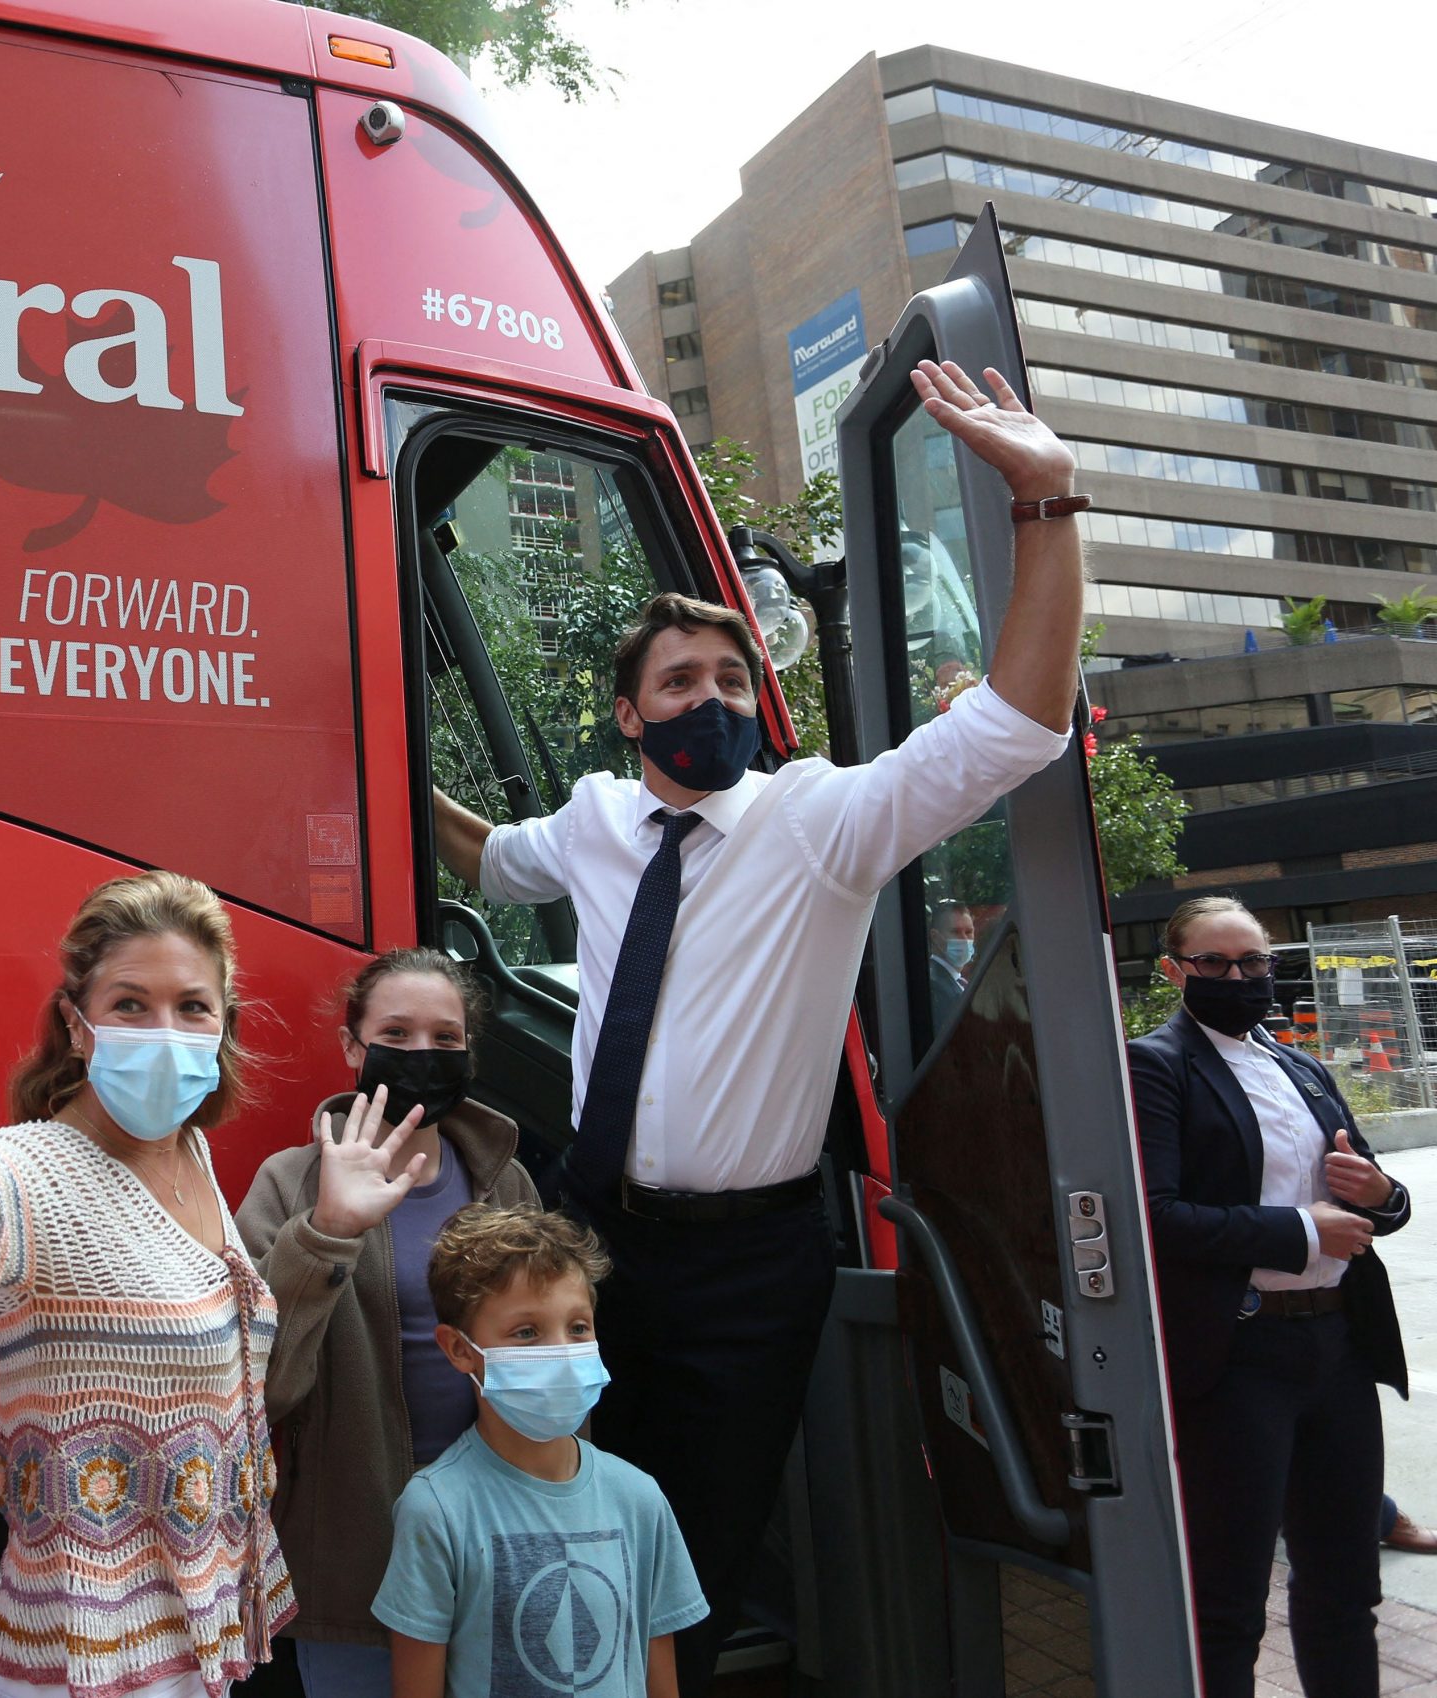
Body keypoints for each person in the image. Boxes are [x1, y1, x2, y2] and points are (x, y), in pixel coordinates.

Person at [427, 360, 1085, 1695]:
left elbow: (1018, 726)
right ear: (629, 713)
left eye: (732, 675)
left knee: (700, 1549)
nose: (711, 698)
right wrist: (369, 743)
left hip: (749, 1265)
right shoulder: (602, 817)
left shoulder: (823, 818)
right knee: (555, 1521)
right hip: (587, 1239)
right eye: (678, 680)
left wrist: (1047, 504)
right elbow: (493, 859)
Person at [0, 730, 291, 1697]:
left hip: (201, 1651)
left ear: (225, 1023)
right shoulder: (32, 1175)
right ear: (78, 1023)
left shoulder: (192, 1157)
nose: (165, 1033)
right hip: (84, 1669)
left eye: (193, 1008)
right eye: (130, 1003)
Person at [235, 949, 541, 1695]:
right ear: (352, 1047)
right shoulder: (288, 1183)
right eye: (396, 1036)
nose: (422, 1056)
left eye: (446, 1038)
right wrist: (327, 1229)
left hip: (502, 1548)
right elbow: (254, 1385)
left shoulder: (508, 1182)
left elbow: (548, 1358)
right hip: (361, 1561)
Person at [1129, 894, 1411, 1698]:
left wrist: (1382, 1193)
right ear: (1176, 970)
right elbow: (1158, 1217)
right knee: (1228, 1600)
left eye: (1254, 961)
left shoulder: (1301, 1064)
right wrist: (1300, 1232)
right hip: (1241, 1354)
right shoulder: (1155, 1063)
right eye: (1216, 963)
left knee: (1346, 1586)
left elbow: (1371, 1202)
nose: (1241, 977)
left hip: (1338, 1347)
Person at [374, 1203, 704, 1698]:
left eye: (578, 1328)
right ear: (460, 1349)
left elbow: (660, 1675)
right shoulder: (436, 1510)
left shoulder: (640, 1499)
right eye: (526, 1333)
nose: (560, 1353)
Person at [928, 899, 975, 1013]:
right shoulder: (935, 986)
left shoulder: (956, 982)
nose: (964, 939)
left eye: (968, 932)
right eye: (956, 932)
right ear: (935, 937)